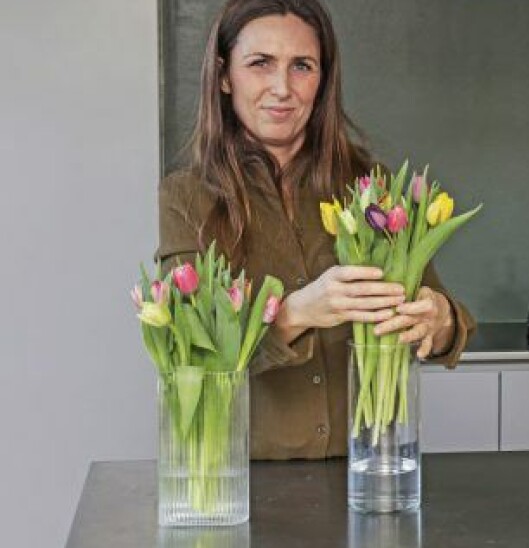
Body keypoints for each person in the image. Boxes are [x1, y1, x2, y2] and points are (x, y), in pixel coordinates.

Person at [156, 0, 475, 460]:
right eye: (260, 63)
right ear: (225, 76)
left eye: (302, 66)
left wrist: (439, 320)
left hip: (368, 469)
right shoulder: (186, 197)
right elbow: (185, 352)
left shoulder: (372, 188)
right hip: (244, 481)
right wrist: (294, 313)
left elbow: (442, 328)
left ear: (323, 78)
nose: (282, 88)